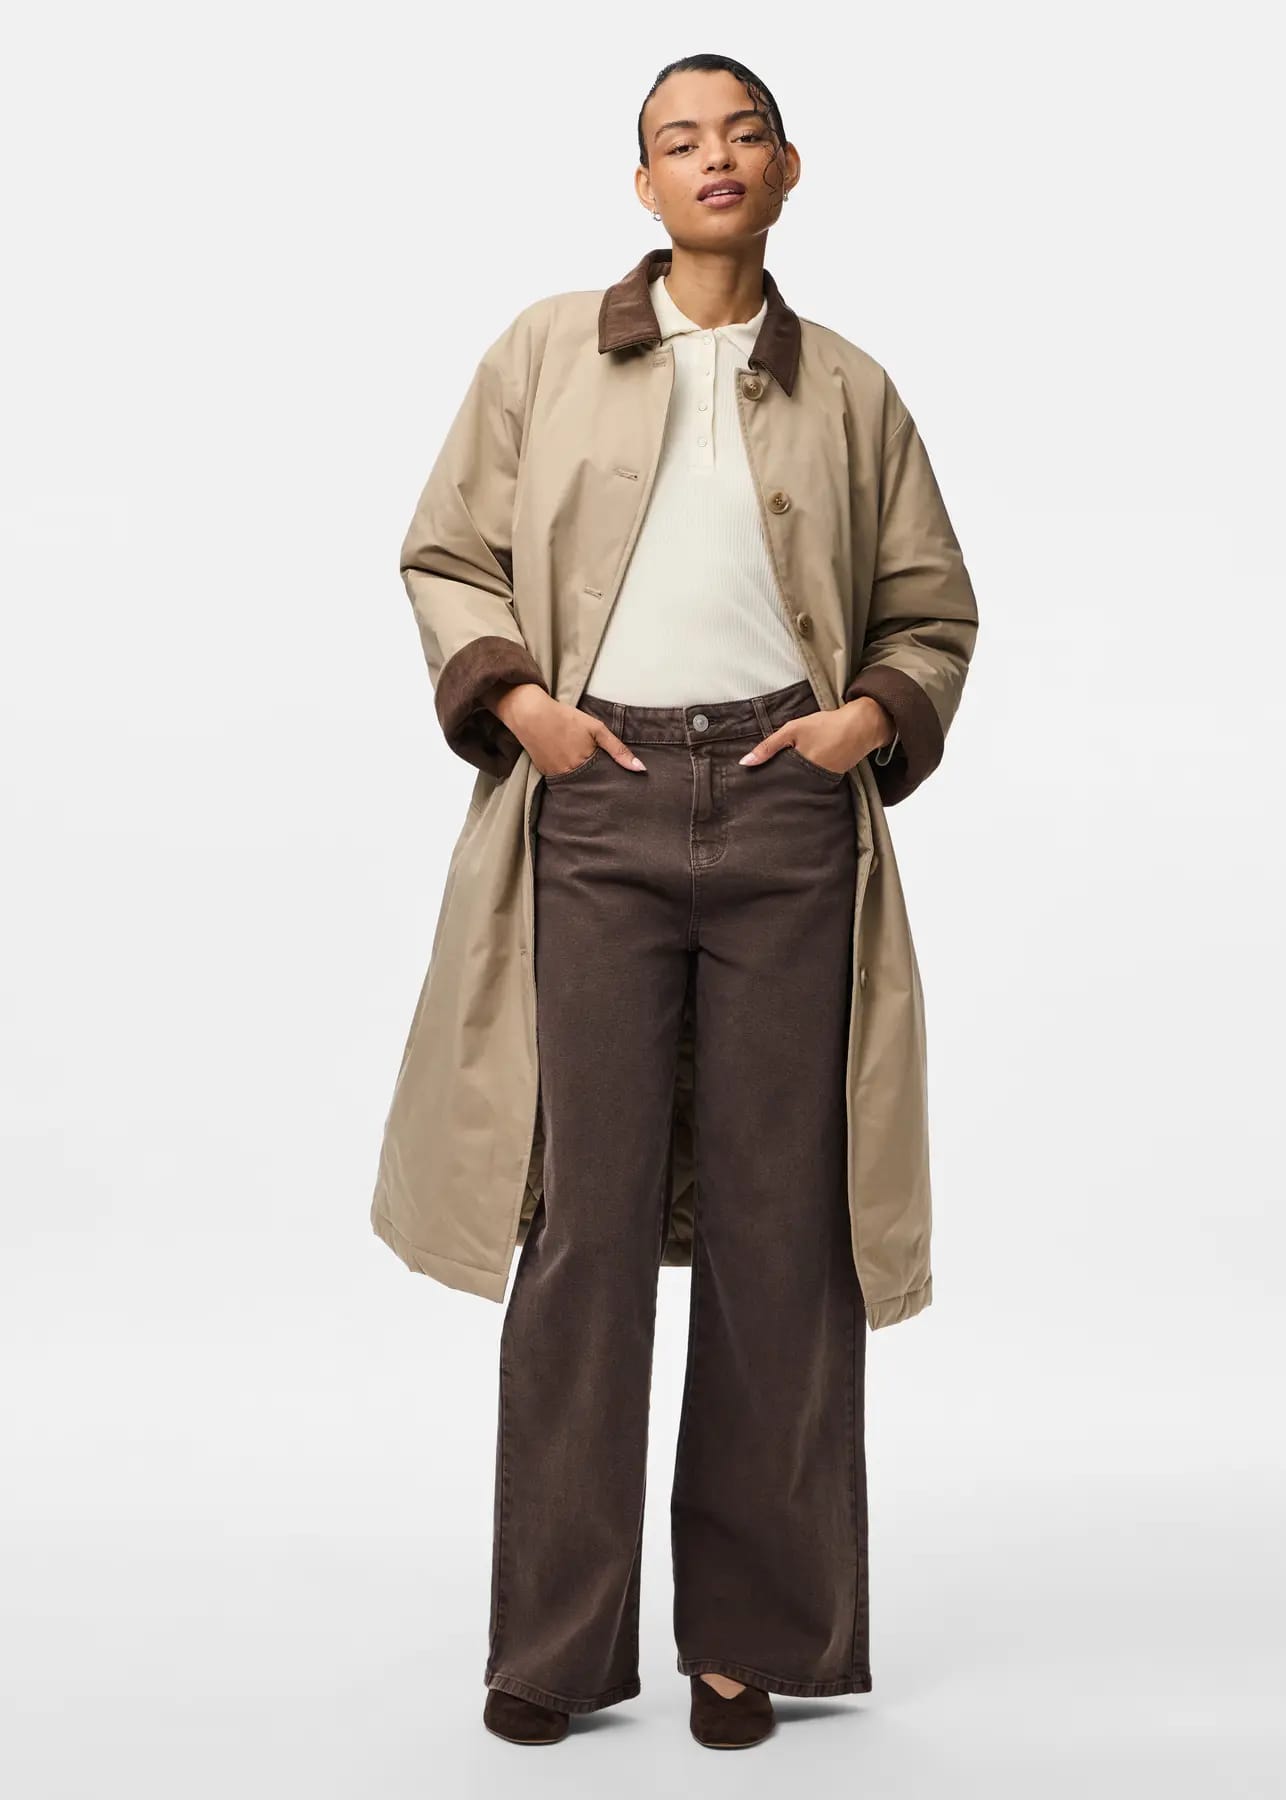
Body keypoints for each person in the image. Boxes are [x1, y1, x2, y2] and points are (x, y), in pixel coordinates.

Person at [371, 52, 979, 1751]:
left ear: (786, 168)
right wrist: (522, 708)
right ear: (641, 186)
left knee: (786, 1229)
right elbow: (445, 553)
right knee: (581, 1227)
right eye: (676, 141)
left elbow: (931, 609)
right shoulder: (543, 349)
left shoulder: (849, 388)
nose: (713, 158)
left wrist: (866, 718)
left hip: (789, 814)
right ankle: (554, 1645)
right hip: (595, 805)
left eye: (740, 134)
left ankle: (749, 1640)